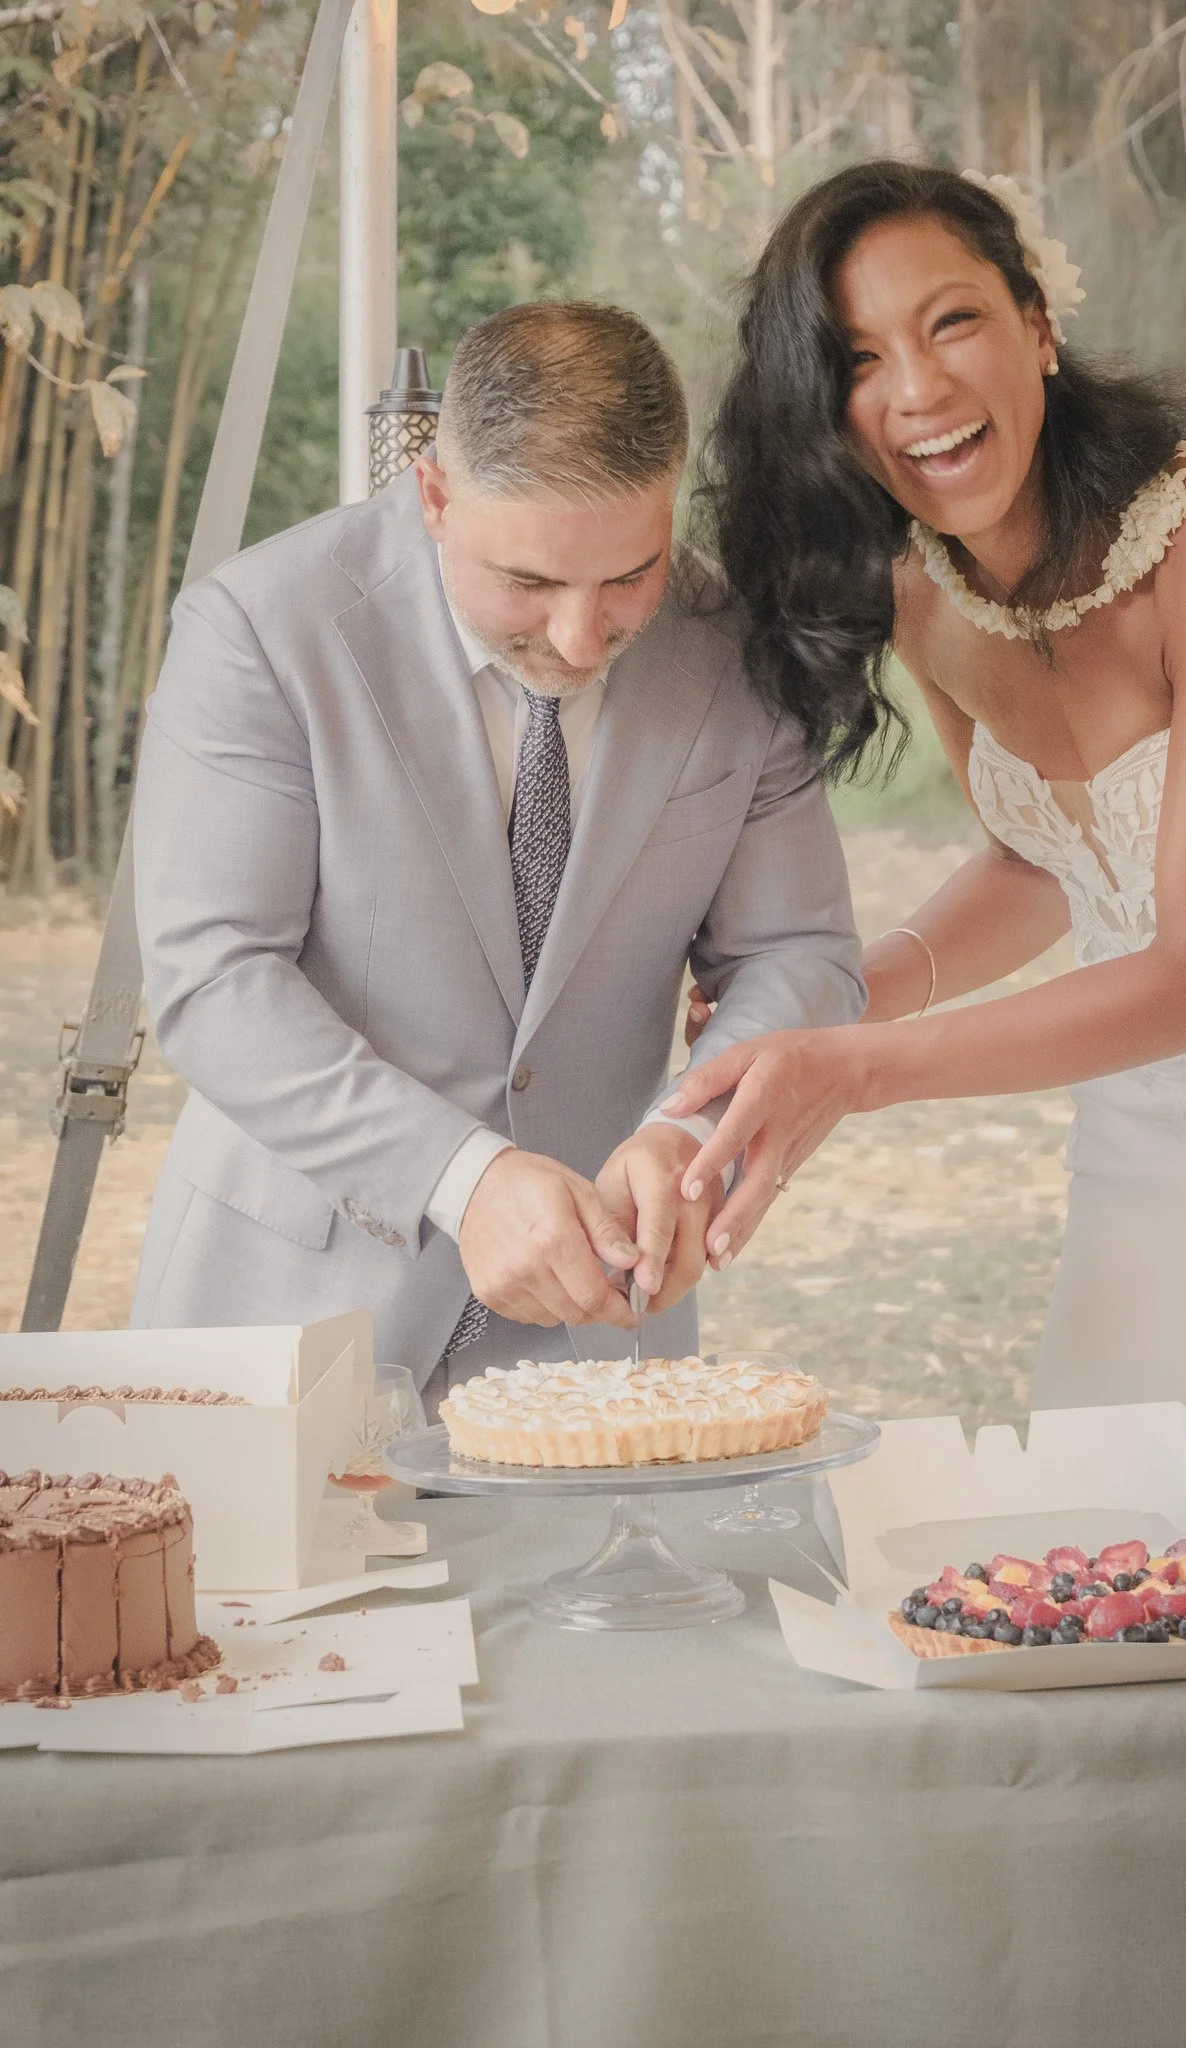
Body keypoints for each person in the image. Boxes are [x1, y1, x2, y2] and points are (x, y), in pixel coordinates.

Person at [664, 161, 1186, 1409]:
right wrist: (831, 999)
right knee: (1123, 1566)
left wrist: (858, 1070)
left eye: (953, 321)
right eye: (859, 360)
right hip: (1138, 1153)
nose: (919, 389)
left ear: (1038, 328)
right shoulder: (929, 596)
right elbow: (1047, 857)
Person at [130, 300, 863, 1410]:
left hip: (603, 1336)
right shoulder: (260, 630)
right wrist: (460, 1178)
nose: (579, 637)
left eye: (629, 577)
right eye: (528, 583)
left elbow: (800, 954)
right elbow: (212, 978)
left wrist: (688, 1134)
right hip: (286, 1314)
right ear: (435, 494)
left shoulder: (738, 654)